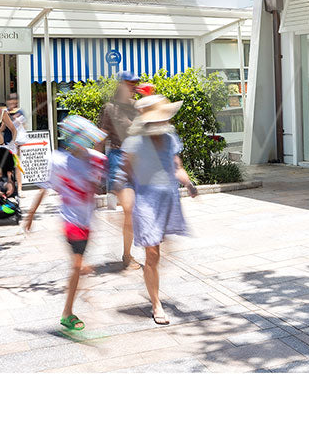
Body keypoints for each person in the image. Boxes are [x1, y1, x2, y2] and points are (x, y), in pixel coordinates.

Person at [23, 115, 107, 332]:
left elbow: (101, 185)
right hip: (70, 220)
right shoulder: (58, 160)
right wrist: (31, 214)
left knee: (78, 265)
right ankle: (67, 313)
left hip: (87, 221)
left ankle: (80, 277)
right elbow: (45, 187)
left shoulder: (96, 159)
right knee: (77, 265)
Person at [122, 94, 196, 325]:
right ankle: (156, 304)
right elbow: (125, 173)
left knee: (158, 253)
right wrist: (129, 196)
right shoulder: (134, 142)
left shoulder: (170, 137)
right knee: (152, 254)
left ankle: (151, 280)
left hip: (168, 200)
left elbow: (177, 167)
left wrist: (189, 183)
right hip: (145, 202)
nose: (160, 123)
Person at [97, 71, 142, 270]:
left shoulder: (137, 108)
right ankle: (126, 255)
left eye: (136, 83)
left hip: (138, 161)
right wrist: (97, 168)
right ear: (121, 84)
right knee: (130, 209)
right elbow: (100, 139)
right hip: (118, 159)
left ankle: (129, 248)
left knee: (133, 211)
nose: (134, 86)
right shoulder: (110, 109)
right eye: (130, 83)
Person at [6, 92, 29, 196]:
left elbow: (24, 125)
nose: (11, 103)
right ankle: (10, 188)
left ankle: (19, 188)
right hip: (7, 141)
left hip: (16, 142)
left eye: (13, 100)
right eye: (10, 100)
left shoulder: (20, 112)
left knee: (17, 165)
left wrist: (16, 118)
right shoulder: (5, 112)